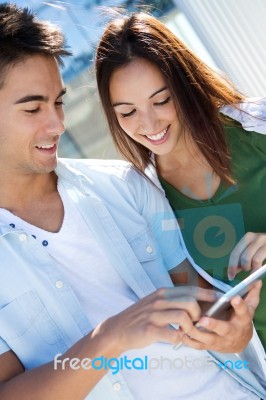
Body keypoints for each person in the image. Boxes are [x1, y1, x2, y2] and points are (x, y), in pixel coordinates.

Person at [0, 3, 265, 400]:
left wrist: (234, 331)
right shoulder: (147, 183)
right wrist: (110, 338)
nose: (58, 124)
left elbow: (207, 305)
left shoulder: (127, 187)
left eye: (58, 103)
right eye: (34, 107)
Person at [95, 11, 266, 350]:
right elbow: (206, 307)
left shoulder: (257, 129)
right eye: (127, 112)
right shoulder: (146, 200)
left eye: (161, 100)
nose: (149, 123)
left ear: (186, 84)